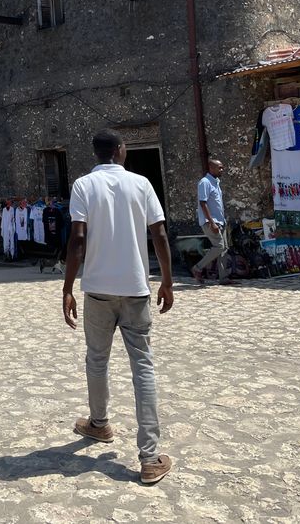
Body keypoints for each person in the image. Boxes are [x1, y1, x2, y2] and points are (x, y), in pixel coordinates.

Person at [62, 131, 174, 485]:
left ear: (95, 153)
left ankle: (99, 423)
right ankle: (150, 457)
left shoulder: (83, 186)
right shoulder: (141, 184)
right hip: (136, 289)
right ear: (121, 151)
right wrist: (167, 280)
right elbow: (159, 233)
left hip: (97, 290)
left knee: (97, 359)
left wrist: (67, 288)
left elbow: (77, 238)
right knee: (143, 366)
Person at [192, 159, 227, 284]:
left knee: (224, 249)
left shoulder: (216, 182)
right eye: (219, 168)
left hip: (221, 221)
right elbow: (203, 202)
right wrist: (211, 222)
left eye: (222, 167)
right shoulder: (205, 182)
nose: (222, 170)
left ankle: (223, 278)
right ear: (211, 168)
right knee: (219, 246)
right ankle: (198, 268)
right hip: (211, 222)